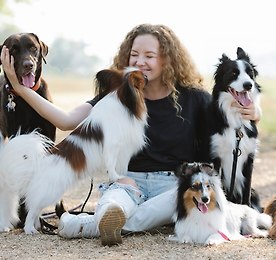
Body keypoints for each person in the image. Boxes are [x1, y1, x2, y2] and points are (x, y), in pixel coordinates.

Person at [0, 24, 260, 246]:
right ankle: (109, 217)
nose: (140, 61)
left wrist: (254, 112)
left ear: (167, 59)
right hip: (127, 182)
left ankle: (86, 225)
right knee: (114, 202)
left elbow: (230, 113)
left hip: (169, 185)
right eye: (135, 54)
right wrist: (20, 89)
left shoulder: (194, 98)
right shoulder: (117, 95)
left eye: (149, 55)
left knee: (176, 200)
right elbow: (66, 121)